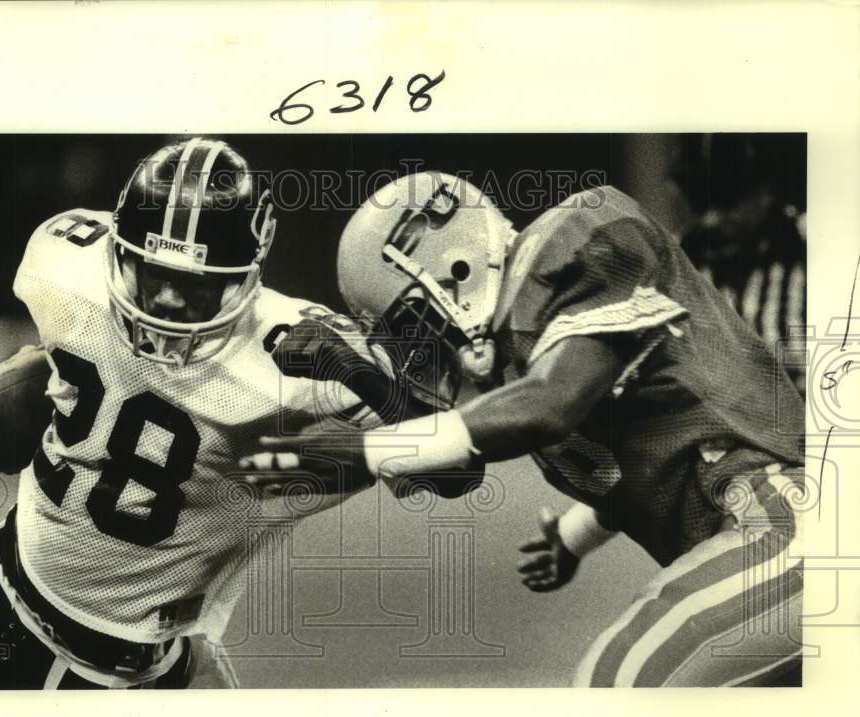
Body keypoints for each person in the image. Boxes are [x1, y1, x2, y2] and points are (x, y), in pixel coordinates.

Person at [242, 172, 807, 687]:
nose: (425, 348)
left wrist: (367, 448)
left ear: (452, 264)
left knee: (622, 683)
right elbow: (464, 468)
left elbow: (549, 406)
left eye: (412, 322)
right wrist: (572, 536)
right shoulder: (522, 358)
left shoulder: (581, 232)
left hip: (792, 523)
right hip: (761, 530)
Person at [0, 137, 382, 689]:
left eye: (197, 286)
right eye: (153, 274)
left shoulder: (294, 357)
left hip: (139, 667)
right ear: (119, 249)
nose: (169, 302)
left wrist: (370, 383)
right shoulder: (66, 267)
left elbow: (449, 465)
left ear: (247, 278)